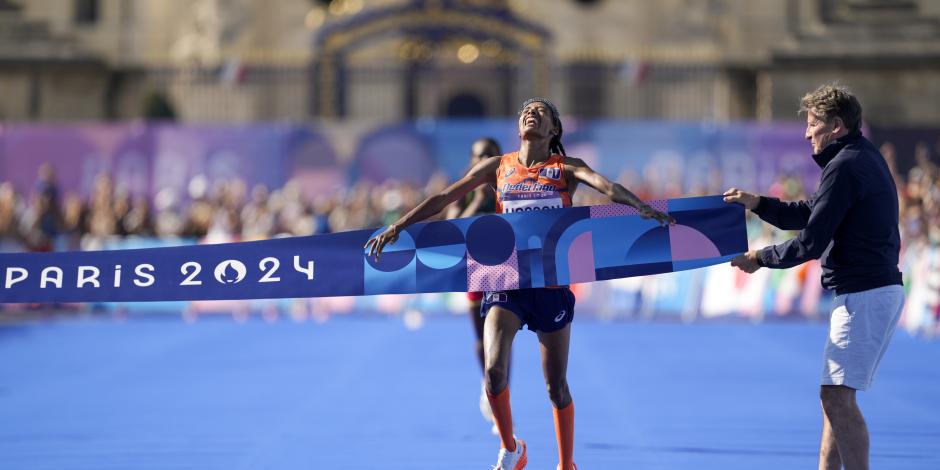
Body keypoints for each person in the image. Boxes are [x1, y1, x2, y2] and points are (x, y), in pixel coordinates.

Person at [366, 98, 672, 470]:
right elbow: (445, 197)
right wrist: (399, 225)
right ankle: (512, 449)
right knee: (494, 373)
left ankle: (566, 464)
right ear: (518, 127)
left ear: (553, 130)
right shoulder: (498, 167)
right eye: (527, 111)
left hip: (550, 285)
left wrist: (638, 205)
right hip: (505, 280)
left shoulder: (566, 168)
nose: (532, 113)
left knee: (555, 387)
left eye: (541, 112)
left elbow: (606, 187)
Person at [724, 83, 903, 470]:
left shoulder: (846, 165)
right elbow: (810, 212)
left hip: (865, 294)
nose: (807, 133)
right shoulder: (856, 157)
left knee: (836, 398)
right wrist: (757, 203)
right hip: (868, 291)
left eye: (812, 124)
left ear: (835, 125)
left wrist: (760, 258)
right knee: (834, 398)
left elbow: (810, 242)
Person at [445, 137, 504, 435]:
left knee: (501, 340)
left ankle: (501, 397)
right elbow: (451, 227)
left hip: (504, 269)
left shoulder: (508, 185)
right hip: (473, 271)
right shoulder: (465, 190)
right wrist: (477, 203)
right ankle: (488, 385)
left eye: (489, 155)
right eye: (479, 155)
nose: (483, 160)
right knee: (482, 338)